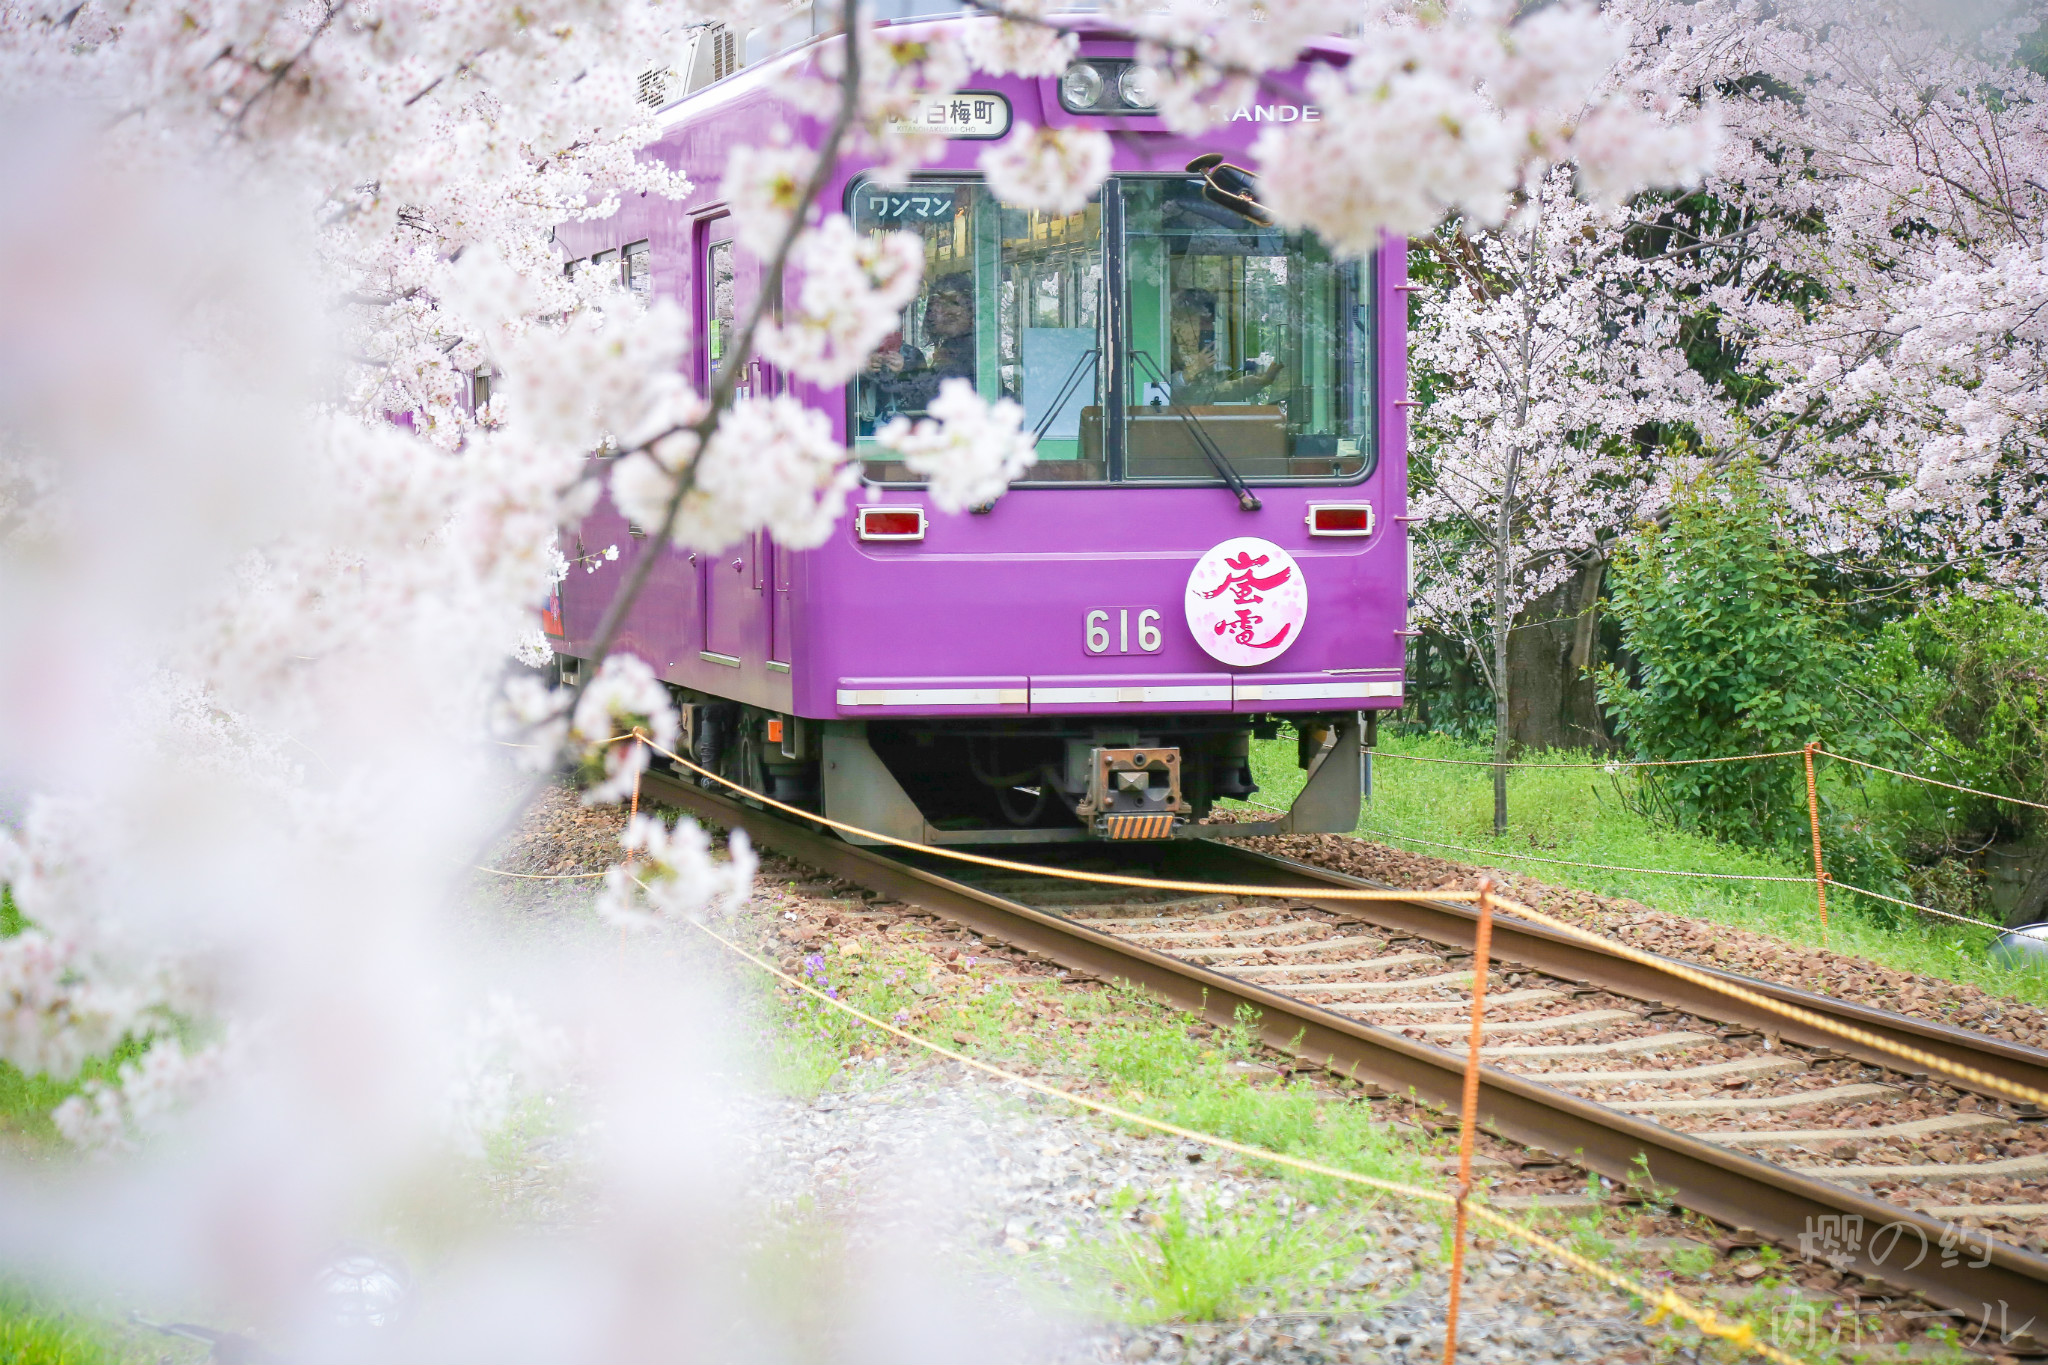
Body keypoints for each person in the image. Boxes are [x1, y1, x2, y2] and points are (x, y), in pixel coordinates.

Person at [1168, 287, 1282, 405]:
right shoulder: (1165, 352)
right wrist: (1190, 372)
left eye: (1209, 323)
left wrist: (1260, 382)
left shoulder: (1202, 354)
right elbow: (1161, 396)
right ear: (1178, 323)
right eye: (1200, 323)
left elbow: (1215, 393)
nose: (1205, 330)